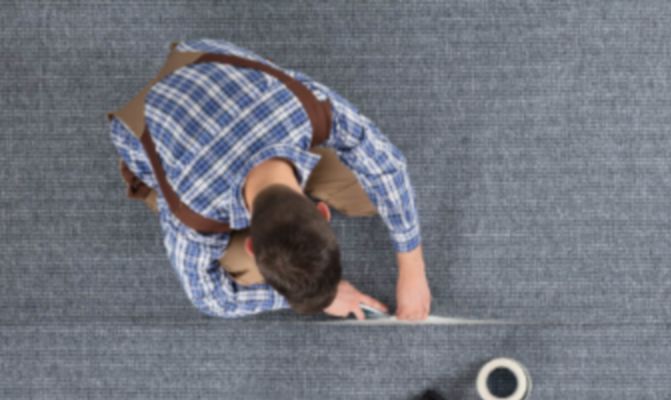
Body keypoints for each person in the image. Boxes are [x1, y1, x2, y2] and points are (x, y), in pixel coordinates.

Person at [108, 39, 430, 321]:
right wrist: (319, 299)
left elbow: (388, 165)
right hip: (145, 124)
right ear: (321, 212)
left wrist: (412, 267)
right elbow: (210, 298)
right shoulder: (192, 211)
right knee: (245, 274)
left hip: (203, 61)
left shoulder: (304, 108)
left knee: (374, 192)